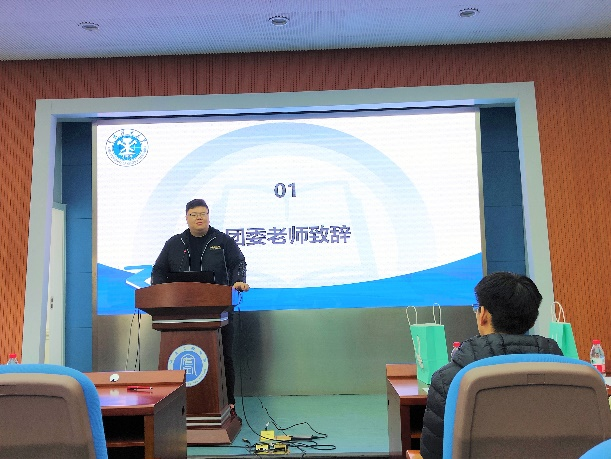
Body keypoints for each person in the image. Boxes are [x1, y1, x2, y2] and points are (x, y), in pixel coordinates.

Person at [419, 272, 563, 459]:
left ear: (483, 315)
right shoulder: (567, 376)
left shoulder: (449, 379)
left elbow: (433, 453)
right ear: (533, 319)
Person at [151, 198, 249, 419]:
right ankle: (176, 405)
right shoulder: (174, 243)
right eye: (194, 214)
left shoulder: (222, 241)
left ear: (208, 216)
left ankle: (229, 402)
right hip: (180, 312)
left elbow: (238, 263)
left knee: (224, 356)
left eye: (203, 214)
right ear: (187, 217)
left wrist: (238, 281)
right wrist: (158, 290)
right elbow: (158, 270)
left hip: (219, 310)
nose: (199, 218)